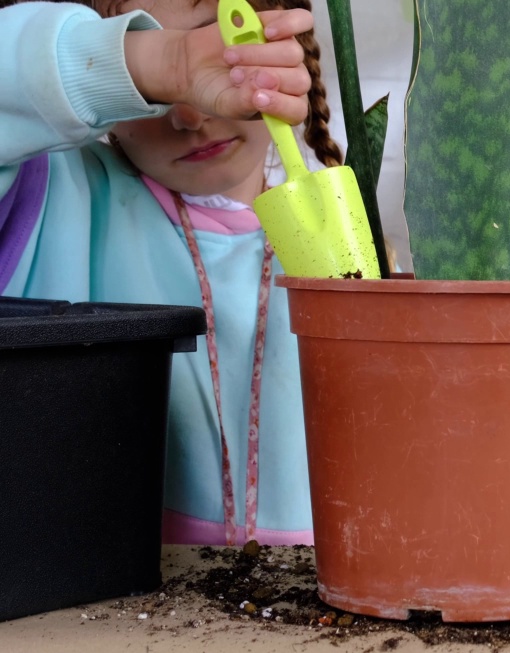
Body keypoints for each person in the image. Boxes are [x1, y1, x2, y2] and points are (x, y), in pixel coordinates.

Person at [0, 0, 338, 546]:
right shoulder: (50, 192)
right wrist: (168, 64)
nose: (191, 114)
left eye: (220, 48)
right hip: (92, 597)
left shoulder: (345, 234)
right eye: (152, 87)